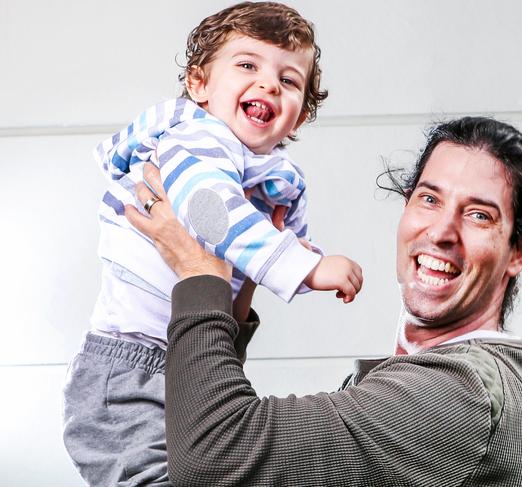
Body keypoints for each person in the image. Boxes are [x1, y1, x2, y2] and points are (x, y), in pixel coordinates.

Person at [126, 116, 522, 486]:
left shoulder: (461, 396)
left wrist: (202, 267)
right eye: (429, 199)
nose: (441, 231)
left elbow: (213, 460)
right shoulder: (446, 377)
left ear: (520, 252)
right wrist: (239, 285)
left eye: (479, 214)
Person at [63, 3, 362, 486]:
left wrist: (296, 253)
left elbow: (269, 243)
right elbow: (209, 211)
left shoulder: (269, 174)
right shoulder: (197, 137)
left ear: (300, 116)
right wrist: (303, 269)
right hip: (130, 370)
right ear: (200, 85)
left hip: (185, 355)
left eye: (288, 81)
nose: (268, 84)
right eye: (247, 65)